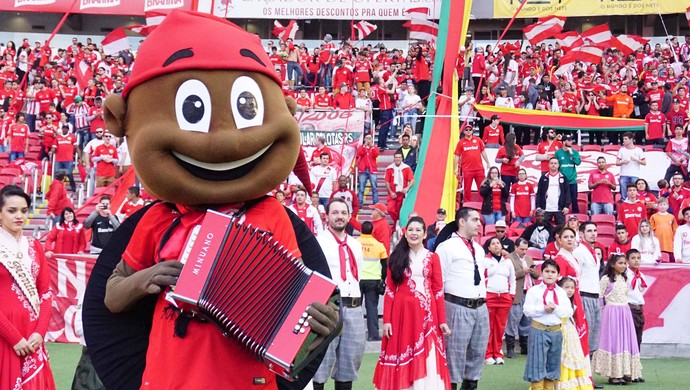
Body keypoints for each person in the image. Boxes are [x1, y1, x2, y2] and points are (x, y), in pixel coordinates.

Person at [373, 217, 451, 390]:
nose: (414, 233)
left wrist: (442, 321)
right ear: (405, 233)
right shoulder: (396, 257)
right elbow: (390, 291)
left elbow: (438, 291)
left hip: (428, 316)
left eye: (418, 230)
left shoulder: (433, 257)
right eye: (411, 230)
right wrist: (386, 320)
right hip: (402, 315)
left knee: (429, 354)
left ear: (424, 234)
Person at [0, 185, 56, 390]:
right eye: (12, 210)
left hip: (32, 337)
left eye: (24, 211)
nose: (19, 216)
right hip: (4, 336)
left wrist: (40, 333)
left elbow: (46, 293)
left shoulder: (34, 246)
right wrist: (13, 337)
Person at [314, 199, 366, 390]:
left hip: (354, 308)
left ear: (349, 216)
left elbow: (356, 274)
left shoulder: (355, 245)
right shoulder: (318, 243)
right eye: (335, 213)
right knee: (320, 364)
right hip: (331, 307)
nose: (339, 216)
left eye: (343, 213)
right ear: (327, 216)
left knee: (349, 363)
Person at [436, 207, 489, 390]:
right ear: (462, 221)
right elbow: (438, 283)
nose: (479, 224)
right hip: (457, 305)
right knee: (454, 356)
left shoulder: (479, 249)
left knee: (477, 354)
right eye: (474, 219)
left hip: (480, 306)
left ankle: (471, 385)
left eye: (479, 220)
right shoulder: (446, 247)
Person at [591, 255, 643, 385]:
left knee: (624, 341)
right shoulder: (606, 279)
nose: (624, 266)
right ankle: (613, 374)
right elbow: (600, 296)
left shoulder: (625, 278)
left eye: (625, 263)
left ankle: (624, 372)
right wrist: (603, 312)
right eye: (620, 263)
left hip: (624, 312)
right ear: (613, 264)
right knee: (614, 341)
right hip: (611, 313)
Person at [522, 259, 573, 390]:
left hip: (556, 331)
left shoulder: (561, 292)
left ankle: (549, 388)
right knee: (537, 362)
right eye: (547, 271)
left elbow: (568, 311)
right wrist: (542, 309)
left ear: (558, 275)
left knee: (553, 363)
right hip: (539, 329)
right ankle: (537, 387)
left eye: (553, 272)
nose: (550, 274)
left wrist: (555, 308)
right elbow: (527, 311)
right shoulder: (534, 291)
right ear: (541, 273)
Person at [556, 277, 594, 390]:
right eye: (566, 287)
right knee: (561, 356)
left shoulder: (572, 302)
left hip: (570, 332)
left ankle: (574, 381)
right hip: (560, 329)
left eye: (572, 287)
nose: (570, 290)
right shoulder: (557, 301)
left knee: (573, 355)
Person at [483, 236, 516, 365]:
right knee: (489, 327)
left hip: (504, 297)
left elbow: (512, 280)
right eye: (493, 243)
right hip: (489, 297)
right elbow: (482, 277)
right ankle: (488, 354)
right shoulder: (484, 261)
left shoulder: (508, 262)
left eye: (498, 243)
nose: (496, 245)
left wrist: (511, 296)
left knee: (500, 327)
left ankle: (498, 353)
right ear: (489, 247)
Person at [505, 238, 538, 358]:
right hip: (516, 293)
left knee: (527, 320)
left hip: (528, 293)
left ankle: (525, 347)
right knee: (513, 320)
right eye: (522, 249)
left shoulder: (529, 258)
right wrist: (523, 271)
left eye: (526, 249)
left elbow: (537, 275)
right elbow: (509, 275)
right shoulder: (509, 258)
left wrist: (533, 271)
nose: (524, 251)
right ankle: (510, 348)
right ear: (516, 247)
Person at [357, 221, 387, 342]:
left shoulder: (355, 243)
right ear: (372, 231)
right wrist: (382, 280)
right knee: (372, 308)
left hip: (357, 279)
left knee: (355, 308)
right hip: (373, 280)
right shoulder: (379, 245)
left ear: (361, 230)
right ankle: (373, 334)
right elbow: (385, 265)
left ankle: (355, 334)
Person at [454, 124, 490, 202]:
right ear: (464, 131)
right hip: (467, 170)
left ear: (472, 131)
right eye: (466, 130)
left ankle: (482, 203)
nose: (468, 131)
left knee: (482, 187)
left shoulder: (478, 140)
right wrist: (455, 167)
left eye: (470, 130)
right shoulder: (461, 142)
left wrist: (487, 162)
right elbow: (457, 155)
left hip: (479, 169)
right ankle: (467, 204)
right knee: (467, 189)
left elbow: (483, 152)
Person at [625, 249, 647, 371]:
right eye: (633, 258)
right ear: (627, 261)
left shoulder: (640, 275)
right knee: (630, 340)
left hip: (639, 309)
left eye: (638, 258)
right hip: (629, 308)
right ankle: (628, 369)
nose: (636, 261)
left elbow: (641, 290)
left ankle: (635, 369)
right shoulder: (626, 275)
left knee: (638, 339)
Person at [536, 158, 571, 227]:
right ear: (548, 165)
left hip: (559, 209)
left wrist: (566, 206)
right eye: (551, 163)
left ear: (558, 165)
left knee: (561, 230)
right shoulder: (543, 177)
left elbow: (567, 193)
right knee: (544, 228)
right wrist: (538, 206)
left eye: (555, 163)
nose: (553, 165)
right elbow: (539, 193)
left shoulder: (563, 177)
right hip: (546, 209)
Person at [384, 152, 415, 227]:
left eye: (399, 157)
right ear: (394, 158)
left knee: (399, 211)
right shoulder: (389, 168)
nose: (398, 159)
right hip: (392, 193)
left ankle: (396, 225)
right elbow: (387, 181)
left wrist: (407, 188)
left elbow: (412, 180)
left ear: (402, 158)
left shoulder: (406, 168)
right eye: (396, 157)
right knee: (390, 209)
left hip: (402, 194)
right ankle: (396, 222)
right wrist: (390, 192)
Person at [554, 134, 581, 213]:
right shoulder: (558, 152)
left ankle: (576, 215)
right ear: (564, 142)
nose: (570, 142)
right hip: (562, 180)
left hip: (572, 180)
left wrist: (571, 153)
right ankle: (561, 215)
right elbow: (555, 165)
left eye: (571, 140)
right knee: (562, 198)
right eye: (568, 140)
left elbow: (578, 163)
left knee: (574, 199)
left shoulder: (574, 152)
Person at [616, 132, 646, 201]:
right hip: (624, 173)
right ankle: (624, 202)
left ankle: (634, 202)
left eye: (626, 139)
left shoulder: (638, 150)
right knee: (623, 191)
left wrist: (636, 159)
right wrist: (623, 162)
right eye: (623, 139)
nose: (624, 141)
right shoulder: (622, 150)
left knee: (634, 191)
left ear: (631, 140)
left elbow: (644, 162)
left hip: (634, 174)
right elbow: (617, 163)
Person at [649, 197, 676, 262]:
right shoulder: (654, 216)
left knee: (670, 261)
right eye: (660, 204)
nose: (662, 206)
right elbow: (651, 230)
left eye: (664, 204)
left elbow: (675, 230)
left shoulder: (671, 217)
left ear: (668, 206)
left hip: (669, 244)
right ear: (657, 206)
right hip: (658, 242)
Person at [355, 133, 379, 205]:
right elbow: (359, 153)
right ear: (364, 139)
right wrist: (364, 146)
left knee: (374, 188)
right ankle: (360, 203)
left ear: (372, 139)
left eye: (369, 138)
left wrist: (371, 146)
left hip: (372, 170)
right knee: (361, 188)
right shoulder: (361, 147)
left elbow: (376, 154)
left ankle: (375, 203)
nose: (368, 140)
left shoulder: (374, 147)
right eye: (367, 138)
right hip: (363, 170)